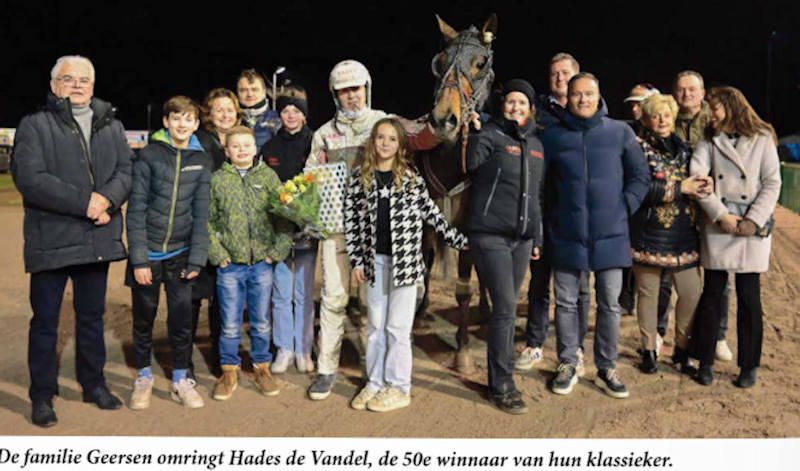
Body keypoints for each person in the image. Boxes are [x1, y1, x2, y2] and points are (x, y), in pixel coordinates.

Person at [304, 59, 440, 401]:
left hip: (374, 235)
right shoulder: (323, 134)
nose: (351, 96)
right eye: (343, 91)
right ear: (335, 95)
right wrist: (306, 209)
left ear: (366, 88)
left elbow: (427, 136)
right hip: (336, 230)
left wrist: (457, 119)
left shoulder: (384, 124)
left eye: (356, 89)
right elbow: (310, 181)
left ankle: (374, 373)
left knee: (372, 306)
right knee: (334, 299)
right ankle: (326, 369)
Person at [12, 55, 132, 426]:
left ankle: (93, 384)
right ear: (54, 85)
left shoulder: (112, 125)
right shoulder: (35, 125)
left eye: (84, 80)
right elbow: (30, 178)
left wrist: (107, 199)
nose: (77, 85)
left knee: (92, 319)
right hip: (53, 238)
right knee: (46, 322)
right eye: (68, 79)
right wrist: (86, 203)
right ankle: (42, 394)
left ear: (92, 86)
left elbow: (126, 171)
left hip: (96, 238)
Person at [345, 118, 467, 412]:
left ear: (400, 145)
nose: (385, 143)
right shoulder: (360, 178)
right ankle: (374, 382)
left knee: (397, 328)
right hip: (374, 263)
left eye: (392, 139)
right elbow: (352, 221)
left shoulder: (411, 179)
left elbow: (432, 214)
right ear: (373, 142)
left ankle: (399, 387)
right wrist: (357, 260)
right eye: (381, 137)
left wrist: (458, 239)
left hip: (406, 265)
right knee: (375, 326)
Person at [541, 72, 650, 398]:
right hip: (566, 234)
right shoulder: (553, 137)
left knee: (610, 305)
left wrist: (624, 206)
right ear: (568, 97)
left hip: (611, 235)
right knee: (565, 304)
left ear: (598, 95)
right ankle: (567, 363)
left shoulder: (620, 132)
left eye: (588, 93)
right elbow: (541, 184)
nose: (583, 99)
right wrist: (552, 218)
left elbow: (640, 176)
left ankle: (606, 366)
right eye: (576, 94)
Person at [690, 86, 781, 388]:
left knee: (749, 297)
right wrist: (720, 215)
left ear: (731, 107)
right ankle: (704, 361)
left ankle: (749, 365)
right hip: (720, 224)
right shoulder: (708, 139)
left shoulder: (763, 138)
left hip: (751, 228)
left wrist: (753, 220)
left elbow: (772, 182)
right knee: (712, 295)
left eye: (715, 108)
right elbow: (698, 178)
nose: (710, 115)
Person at [126, 96, 211, 409]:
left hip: (181, 254)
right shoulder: (149, 155)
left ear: (196, 124)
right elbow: (135, 210)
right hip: (148, 255)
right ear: (166, 122)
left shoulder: (202, 160)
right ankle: (143, 377)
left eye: (188, 119)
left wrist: (197, 258)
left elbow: (201, 214)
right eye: (176, 118)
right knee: (144, 318)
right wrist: (139, 259)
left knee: (181, 320)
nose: (182, 124)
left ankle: (180, 380)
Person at [466, 79, 545, 414]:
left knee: (507, 310)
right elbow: (471, 164)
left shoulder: (537, 144)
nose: (516, 107)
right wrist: (475, 133)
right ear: (503, 105)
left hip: (522, 239)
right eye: (511, 101)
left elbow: (537, 194)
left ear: (530, 109)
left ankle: (502, 374)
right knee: (506, 307)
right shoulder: (491, 134)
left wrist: (537, 236)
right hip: (490, 235)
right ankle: (501, 385)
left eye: (522, 103)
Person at [517, 53, 591, 376]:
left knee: (580, 286)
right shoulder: (538, 112)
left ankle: (577, 348)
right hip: (542, 206)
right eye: (554, 73)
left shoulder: (585, 112)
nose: (559, 78)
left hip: (574, 211)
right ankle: (534, 343)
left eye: (565, 73)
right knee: (539, 281)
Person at [207, 126, 293, 400]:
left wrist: (275, 252)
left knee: (261, 321)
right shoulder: (218, 180)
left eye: (247, 145)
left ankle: (262, 368)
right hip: (230, 265)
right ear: (227, 151)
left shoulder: (268, 177)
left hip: (261, 264)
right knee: (230, 323)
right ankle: (229, 370)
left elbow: (284, 216)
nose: (242, 150)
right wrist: (217, 253)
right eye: (236, 146)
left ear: (255, 148)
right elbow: (208, 221)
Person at [629, 94, 710, 374]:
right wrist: (680, 188)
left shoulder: (686, 150)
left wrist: (705, 184)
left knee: (691, 293)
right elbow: (638, 189)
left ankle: (682, 350)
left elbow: (699, 181)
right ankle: (648, 350)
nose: (662, 120)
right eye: (656, 115)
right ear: (646, 119)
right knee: (648, 295)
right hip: (648, 233)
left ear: (674, 118)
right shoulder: (637, 148)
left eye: (666, 115)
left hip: (683, 234)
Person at [673, 70, 734, 362]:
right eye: (681, 89)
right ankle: (661, 333)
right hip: (678, 207)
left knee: (718, 276)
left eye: (692, 89)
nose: (687, 94)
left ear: (702, 93)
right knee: (669, 275)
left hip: (711, 206)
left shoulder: (716, 119)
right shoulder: (668, 117)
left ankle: (718, 335)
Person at [259, 86, 318, 374]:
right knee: (281, 293)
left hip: (307, 229)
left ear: (304, 115)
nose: (291, 115)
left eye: (296, 111)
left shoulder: (315, 143)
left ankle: (304, 349)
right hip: (279, 232)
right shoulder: (269, 147)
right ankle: (284, 348)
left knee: (304, 294)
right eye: (285, 111)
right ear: (279, 115)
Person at [189, 88, 242, 378]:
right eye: (219, 109)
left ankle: (220, 358)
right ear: (209, 113)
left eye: (229, 109)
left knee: (222, 300)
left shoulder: (240, 140)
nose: (225, 114)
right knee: (192, 297)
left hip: (229, 233)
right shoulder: (198, 141)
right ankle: (183, 362)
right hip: (200, 229)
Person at [237, 68, 281, 148]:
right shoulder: (230, 120)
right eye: (243, 90)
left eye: (254, 89)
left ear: (264, 91)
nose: (249, 94)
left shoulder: (278, 120)